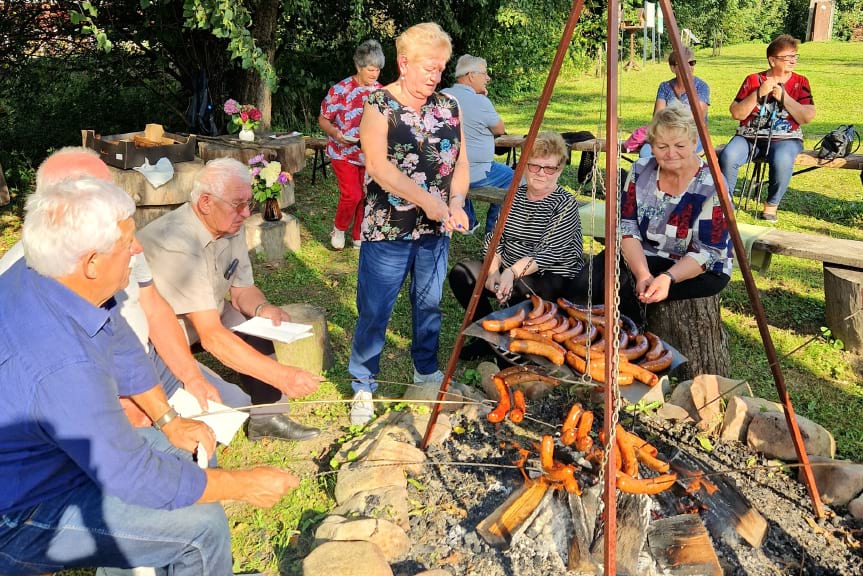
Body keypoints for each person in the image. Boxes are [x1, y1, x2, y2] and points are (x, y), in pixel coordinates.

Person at [0, 177, 299, 575]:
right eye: (128, 244)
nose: (138, 248)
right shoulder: (64, 365)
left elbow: (122, 344)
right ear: (91, 261)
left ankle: (152, 559)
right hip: (20, 514)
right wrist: (244, 484)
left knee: (189, 449)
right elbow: (132, 475)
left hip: (47, 454)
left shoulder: (46, 272)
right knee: (202, 527)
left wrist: (169, 420)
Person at [0, 147, 251, 429]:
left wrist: (191, 377)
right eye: (102, 193)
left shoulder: (121, 237)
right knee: (170, 453)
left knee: (231, 407)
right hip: (94, 395)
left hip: (143, 362)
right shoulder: (27, 277)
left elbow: (152, 309)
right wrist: (124, 402)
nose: (117, 203)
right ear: (61, 206)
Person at [138, 158, 323, 441]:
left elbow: (242, 291)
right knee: (224, 399)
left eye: (248, 203)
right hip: (161, 335)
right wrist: (281, 375)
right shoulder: (176, 242)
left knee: (254, 322)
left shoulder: (227, 225)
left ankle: (267, 417)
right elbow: (211, 335)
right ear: (205, 203)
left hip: (207, 315)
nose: (246, 212)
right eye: (238, 205)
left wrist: (263, 308)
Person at [347, 22, 470, 425]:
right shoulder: (378, 105)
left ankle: (425, 369)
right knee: (376, 308)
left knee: (429, 304)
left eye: (440, 69)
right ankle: (363, 384)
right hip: (388, 228)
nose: (435, 76)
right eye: (428, 68)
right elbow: (379, 167)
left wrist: (454, 202)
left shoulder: (449, 106)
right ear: (404, 63)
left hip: (436, 230)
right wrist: (427, 201)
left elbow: (460, 163)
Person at [448, 131, 587, 358]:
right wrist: (493, 271)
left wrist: (510, 273)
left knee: (520, 287)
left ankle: (518, 346)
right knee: (462, 273)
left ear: (559, 170)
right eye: (534, 166)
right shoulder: (514, 196)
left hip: (551, 276)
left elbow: (546, 254)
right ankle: (488, 334)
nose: (541, 173)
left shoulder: (565, 204)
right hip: (510, 270)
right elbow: (496, 238)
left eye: (549, 168)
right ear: (524, 166)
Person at [594, 103, 732, 323]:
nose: (670, 154)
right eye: (661, 146)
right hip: (646, 253)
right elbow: (627, 227)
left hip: (700, 267)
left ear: (694, 143)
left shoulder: (713, 185)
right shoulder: (640, 170)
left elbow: (708, 250)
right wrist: (642, 274)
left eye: (679, 145)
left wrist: (668, 278)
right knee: (587, 281)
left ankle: (627, 345)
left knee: (628, 294)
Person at [719, 34, 816, 221]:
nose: (793, 60)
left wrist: (784, 98)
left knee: (782, 159)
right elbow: (737, 113)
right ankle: (726, 205)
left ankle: (771, 206)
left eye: (795, 56)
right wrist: (758, 93)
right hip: (748, 136)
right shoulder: (753, 79)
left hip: (786, 137)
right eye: (788, 57)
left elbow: (807, 117)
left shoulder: (801, 82)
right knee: (728, 155)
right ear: (772, 60)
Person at [319, 39, 385, 250]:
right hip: (343, 151)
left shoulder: (381, 92)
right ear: (358, 66)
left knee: (366, 194)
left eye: (378, 70)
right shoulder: (340, 90)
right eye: (370, 69)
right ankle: (339, 228)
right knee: (352, 194)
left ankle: (359, 235)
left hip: (369, 153)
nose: (375, 74)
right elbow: (323, 119)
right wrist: (335, 133)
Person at [442, 54, 513, 235]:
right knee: (517, 178)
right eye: (484, 73)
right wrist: (482, 100)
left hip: (445, 171)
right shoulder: (481, 101)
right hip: (476, 171)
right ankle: (493, 230)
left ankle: (470, 221)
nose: (488, 78)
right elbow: (499, 129)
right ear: (471, 75)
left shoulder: (441, 95)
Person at [640, 45, 710, 158]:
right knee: (645, 154)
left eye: (691, 63)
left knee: (677, 155)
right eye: (683, 64)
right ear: (672, 68)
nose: (688, 67)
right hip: (665, 134)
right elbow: (658, 116)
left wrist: (670, 119)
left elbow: (696, 117)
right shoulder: (665, 87)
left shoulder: (701, 87)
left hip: (691, 134)